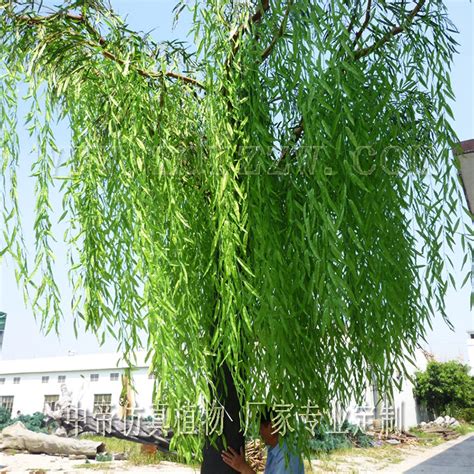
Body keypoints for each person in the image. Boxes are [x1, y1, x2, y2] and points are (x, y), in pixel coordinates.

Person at [221, 411, 304, 473]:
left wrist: (244, 468)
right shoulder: (275, 451)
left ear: (272, 427)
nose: (259, 433)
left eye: (261, 428)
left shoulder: (288, 455)